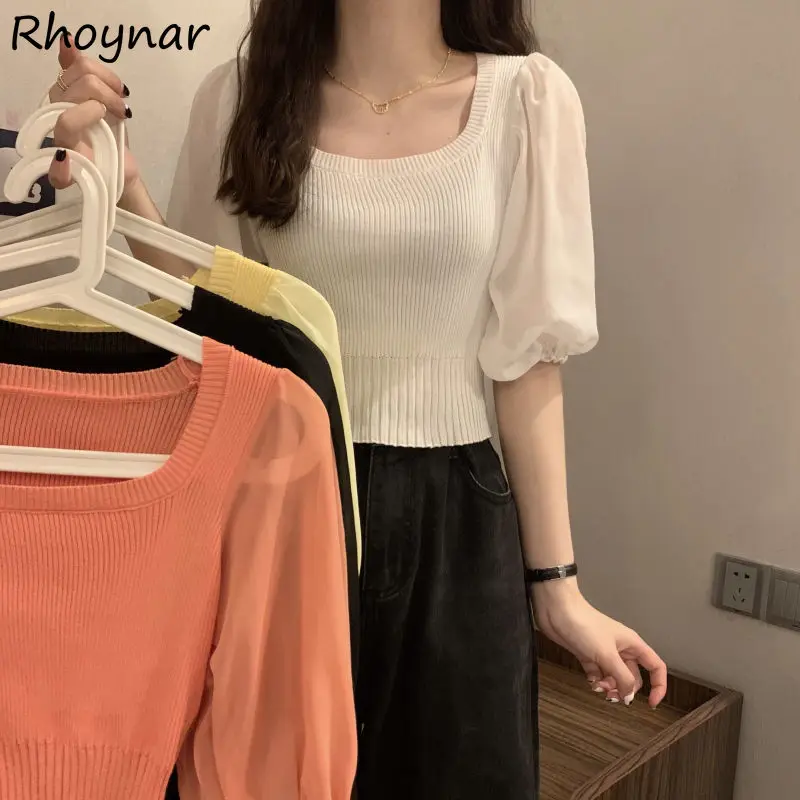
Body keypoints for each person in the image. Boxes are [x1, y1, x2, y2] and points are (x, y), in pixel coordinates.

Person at [44, 1, 668, 797]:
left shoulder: (527, 98)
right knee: (265, 775)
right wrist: (124, 182)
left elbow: (528, 361)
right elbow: (212, 318)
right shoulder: (239, 96)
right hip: (281, 500)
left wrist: (558, 586)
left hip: (456, 516)